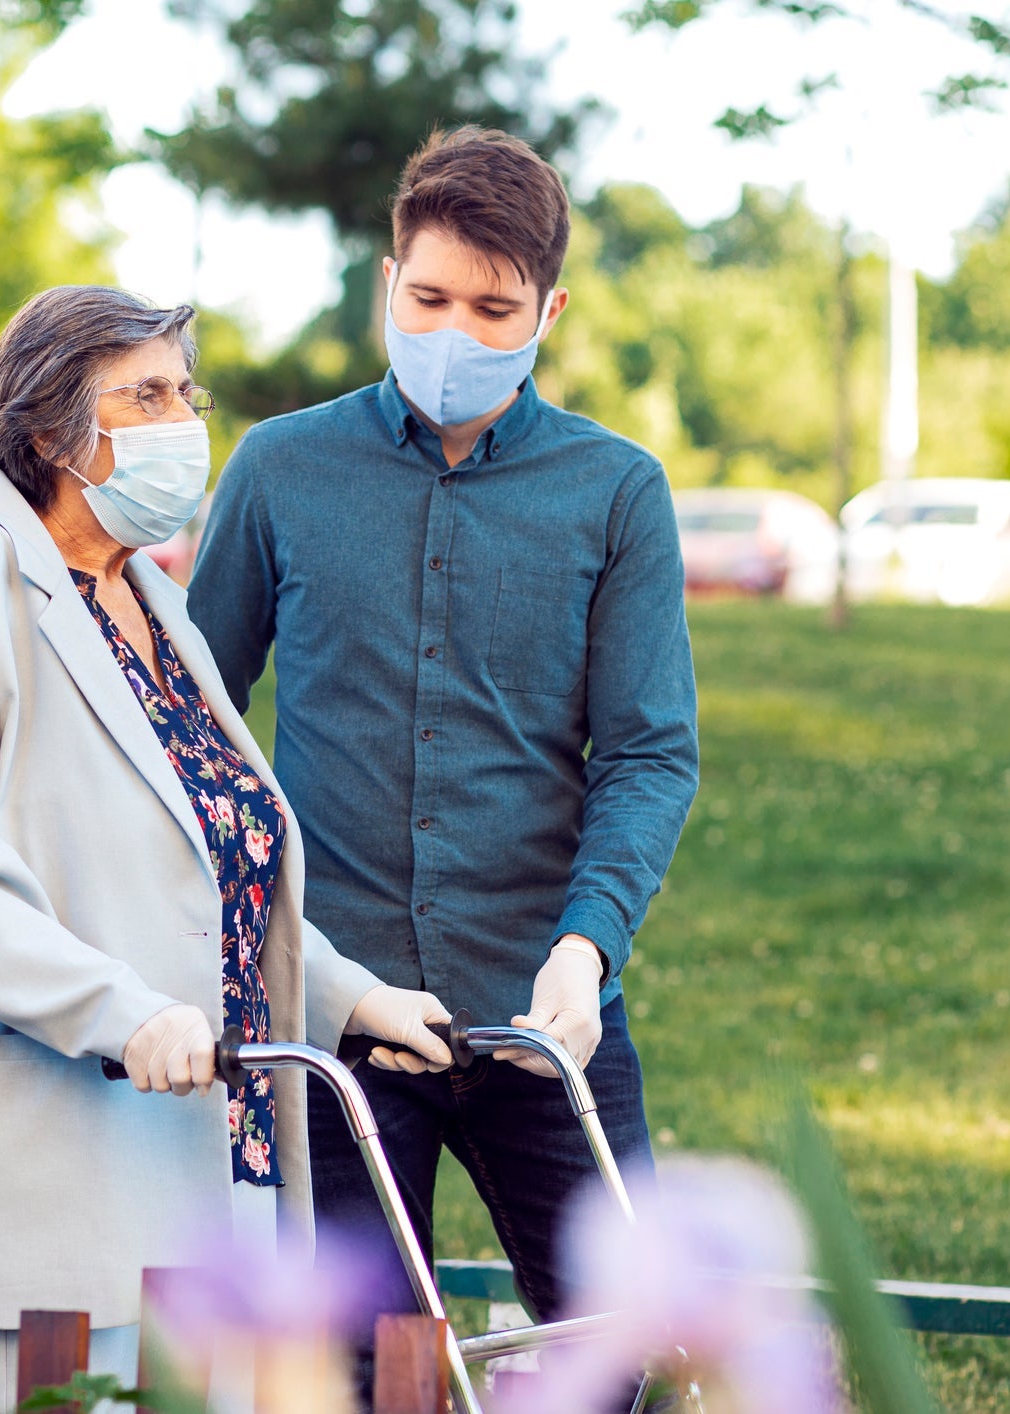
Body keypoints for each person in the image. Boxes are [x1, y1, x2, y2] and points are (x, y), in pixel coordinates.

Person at [0, 285, 455, 1414]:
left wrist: (354, 999)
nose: (184, 419)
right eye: (146, 395)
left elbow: (217, 873)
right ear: (46, 432)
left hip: (199, 1163)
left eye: (186, 391)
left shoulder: (150, 601)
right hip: (29, 1170)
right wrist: (122, 1014)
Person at [187, 127, 700, 1382]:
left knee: (627, 1358)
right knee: (358, 1377)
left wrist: (588, 948)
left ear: (550, 309)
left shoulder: (618, 491)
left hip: (547, 1015)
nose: (454, 334)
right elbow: (193, 727)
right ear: (387, 284)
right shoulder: (278, 471)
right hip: (341, 1019)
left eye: (493, 307)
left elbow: (647, 753)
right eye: (428, 298)